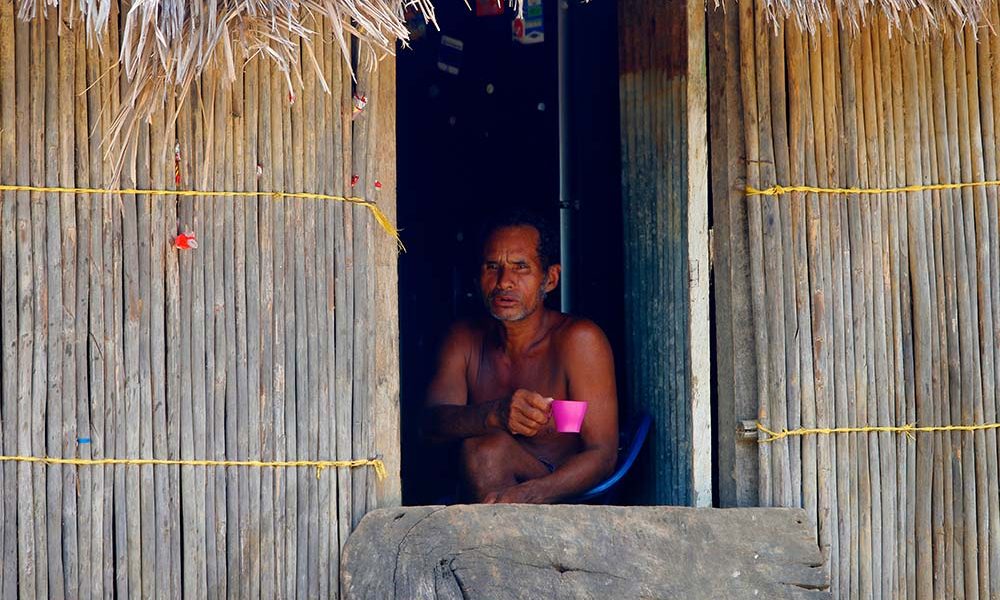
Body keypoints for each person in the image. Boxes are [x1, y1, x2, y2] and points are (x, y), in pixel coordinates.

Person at [423, 210, 618, 504]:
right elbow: (429, 427)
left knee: (488, 452)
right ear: (478, 277)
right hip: (483, 494)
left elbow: (602, 455)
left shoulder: (579, 341)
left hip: (559, 493)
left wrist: (529, 494)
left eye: (521, 267)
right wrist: (494, 415)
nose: (504, 282)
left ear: (550, 279)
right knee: (485, 449)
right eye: (493, 266)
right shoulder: (464, 339)